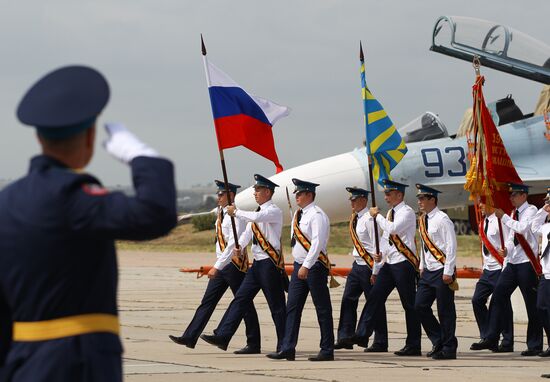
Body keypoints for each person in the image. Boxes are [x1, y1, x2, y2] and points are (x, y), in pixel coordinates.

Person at [0, 65, 177, 381]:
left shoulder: (7, 202)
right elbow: (155, 213)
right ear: (90, 136)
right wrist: (143, 157)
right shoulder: (72, 197)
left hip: (21, 363)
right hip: (77, 364)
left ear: (39, 136)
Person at [168, 180, 260, 353]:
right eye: (217, 194)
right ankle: (190, 336)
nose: (218, 197)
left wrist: (217, 266)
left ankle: (253, 343)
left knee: (244, 304)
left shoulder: (236, 216)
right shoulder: (221, 213)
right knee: (207, 302)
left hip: (233, 265)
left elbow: (234, 244)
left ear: (231, 195)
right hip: (222, 264)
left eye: (221, 194)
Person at [200, 174, 286, 354]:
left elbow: (255, 219)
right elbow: (248, 232)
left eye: (258, 190)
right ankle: (223, 335)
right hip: (257, 266)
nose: (255, 193)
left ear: (268, 192)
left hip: (270, 265)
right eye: (255, 190)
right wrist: (239, 247)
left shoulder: (273, 211)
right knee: (240, 299)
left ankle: (285, 345)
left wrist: (236, 212)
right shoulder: (257, 213)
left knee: (276, 307)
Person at [267, 178, 334, 361]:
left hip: (314, 266)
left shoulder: (317, 215)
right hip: (299, 266)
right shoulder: (299, 214)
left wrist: (306, 265)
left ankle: (327, 350)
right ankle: (288, 348)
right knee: (293, 308)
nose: (296, 196)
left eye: (300, 193)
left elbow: (317, 244)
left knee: (322, 308)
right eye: (296, 193)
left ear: (309, 195)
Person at [354, 180, 421, 356]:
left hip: (404, 263)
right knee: (375, 297)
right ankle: (362, 334)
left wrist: (378, 216)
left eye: (389, 194)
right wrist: (376, 267)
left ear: (399, 195)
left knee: (409, 304)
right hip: (390, 263)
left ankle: (414, 344)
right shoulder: (391, 212)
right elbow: (385, 241)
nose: (386, 197)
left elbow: (392, 229)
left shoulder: (406, 212)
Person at [477, 183, 543, 356]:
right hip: (513, 262)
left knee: (531, 304)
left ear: (523, 195)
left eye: (514, 195)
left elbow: (522, 228)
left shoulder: (531, 210)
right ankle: (492, 336)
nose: (511, 198)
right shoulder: (514, 213)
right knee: (498, 296)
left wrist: (504, 217)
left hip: (526, 264)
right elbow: (511, 237)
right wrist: (506, 250)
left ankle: (534, 344)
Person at [334, 187, 388, 353]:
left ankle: (380, 341)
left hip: (368, 265)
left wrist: (376, 270)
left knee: (374, 304)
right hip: (357, 265)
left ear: (364, 200)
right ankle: (345, 336)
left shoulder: (369, 219)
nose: (352, 202)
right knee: (348, 299)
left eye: (355, 199)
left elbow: (377, 245)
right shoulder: (355, 218)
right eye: (351, 200)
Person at [414, 184, 458, 360]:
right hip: (429, 271)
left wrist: (448, 271)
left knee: (445, 311)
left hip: (442, 270)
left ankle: (449, 348)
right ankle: (438, 339)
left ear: (433, 199)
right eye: (419, 199)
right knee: (419, 306)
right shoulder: (423, 220)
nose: (420, 202)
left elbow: (451, 246)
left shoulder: (442, 219)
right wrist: (422, 266)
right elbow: (424, 245)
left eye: (423, 198)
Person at [470, 202, 514, 352]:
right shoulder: (483, 222)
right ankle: (488, 336)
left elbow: (509, 240)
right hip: (487, 270)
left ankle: (507, 341)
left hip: (499, 268)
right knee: (477, 300)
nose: (479, 206)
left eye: (482, 203)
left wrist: (505, 264)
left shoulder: (501, 221)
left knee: (502, 304)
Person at [531, 187, 550, 357]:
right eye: (546, 202)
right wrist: (542, 211)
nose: (547, 204)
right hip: (546, 275)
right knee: (541, 308)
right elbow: (533, 226)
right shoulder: (546, 227)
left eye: (549, 202)